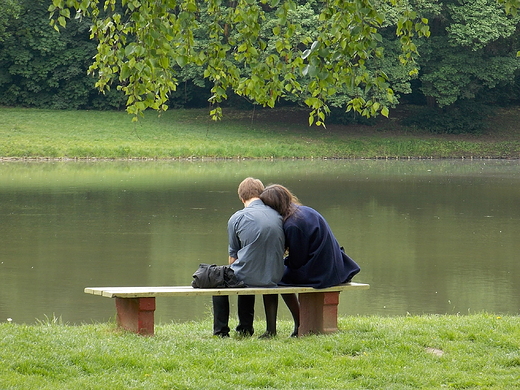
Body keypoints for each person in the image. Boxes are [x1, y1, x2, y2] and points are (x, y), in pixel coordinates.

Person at [259, 184, 360, 336]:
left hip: (322, 273)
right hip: (334, 265)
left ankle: (299, 323)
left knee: (275, 278)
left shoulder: (292, 225)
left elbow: (297, 262)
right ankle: (299, 323)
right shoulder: (305, 211)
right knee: (279, 274)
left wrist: (279, 264)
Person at [212, 177, 285, 338]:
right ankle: (245, 329)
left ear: (241, 197)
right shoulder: (278, 215)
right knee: (246, 271)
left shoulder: (237, 218)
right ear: (262, 194)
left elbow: (233, 257)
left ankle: (222, 332)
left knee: (220, 279)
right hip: (275, 275)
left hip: (249, 276)